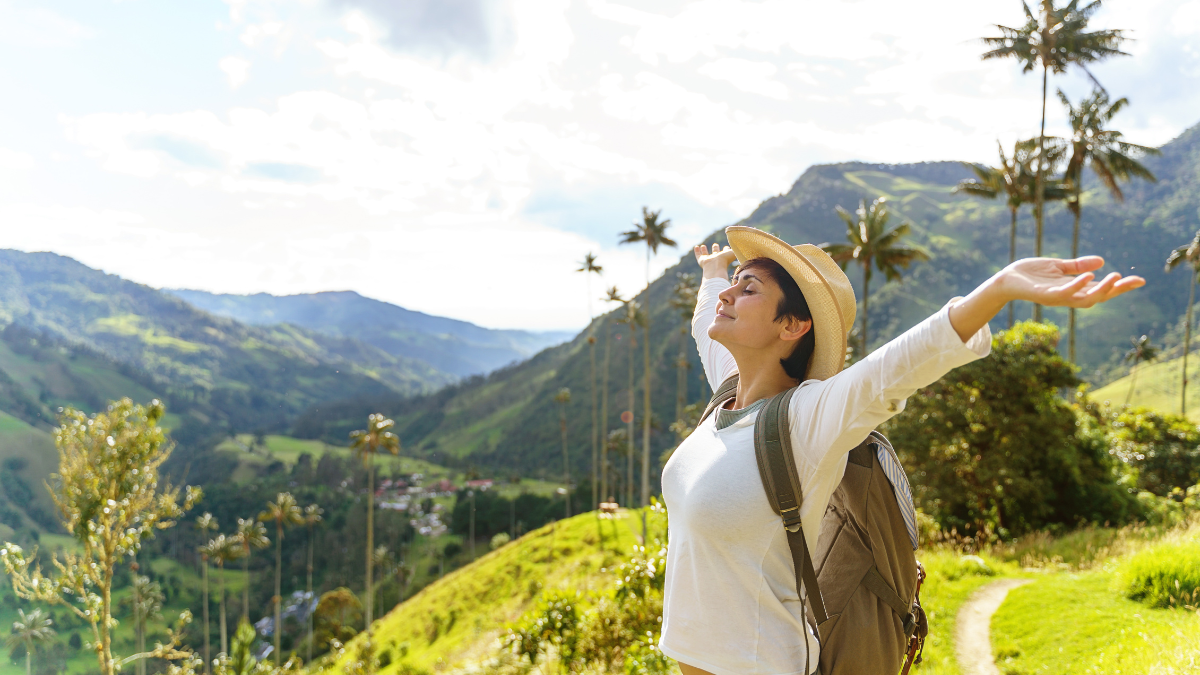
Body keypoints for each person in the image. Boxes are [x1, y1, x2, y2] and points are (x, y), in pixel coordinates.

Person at [658, 225, 1143, 675]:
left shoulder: (806, 419)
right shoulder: (726, 397)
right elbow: (706, 325)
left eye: (749, 289)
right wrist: (713, 273)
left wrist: (999, 289)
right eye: (735, 284)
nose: (729, 295)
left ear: (793, 327)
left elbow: (896, 368)